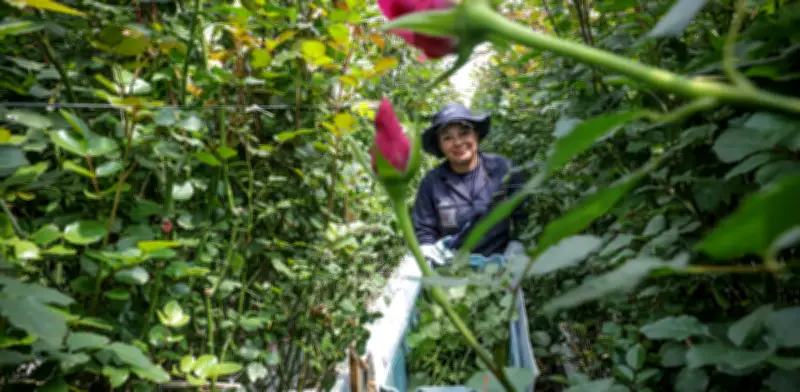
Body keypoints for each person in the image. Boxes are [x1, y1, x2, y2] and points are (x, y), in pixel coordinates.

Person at [412, 102, 526, 262]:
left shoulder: (504, 169)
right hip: (452, 268)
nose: (458, 142)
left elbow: (524, 214)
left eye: (464, 133)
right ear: (440, 145)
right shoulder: (431, 183)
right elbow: (424, 230)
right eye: (447, 138)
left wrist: (517, 245)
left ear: (476, 135)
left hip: (501, 266)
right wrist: (428, 250)